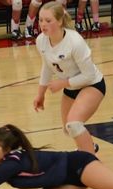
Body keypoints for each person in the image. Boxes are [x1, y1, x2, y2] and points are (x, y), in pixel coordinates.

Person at [33, 1, 104, 155]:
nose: (43, 24)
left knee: (73, 124)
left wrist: (63, 83)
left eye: (48, 20)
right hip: (72, 87)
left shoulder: (75, 41)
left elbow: (89, 75)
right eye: (40, 20)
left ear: (59, 21)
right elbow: (47, 67)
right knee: (68, 129)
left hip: (92, 85)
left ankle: (90, 163)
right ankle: (90, 146)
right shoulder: (41, 40)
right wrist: (40, 94)